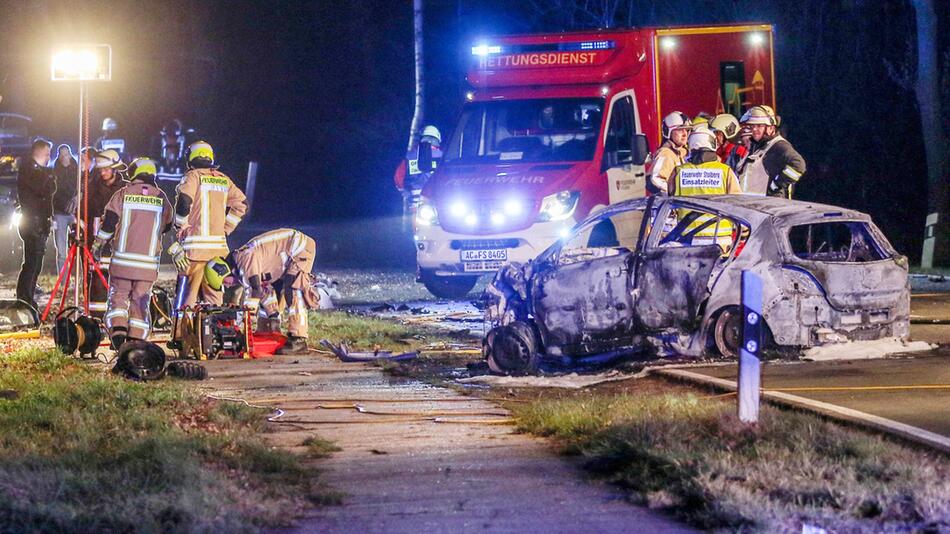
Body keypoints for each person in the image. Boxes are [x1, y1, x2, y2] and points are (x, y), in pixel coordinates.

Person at [168, 140, 247, 346]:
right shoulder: (223, 180)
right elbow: (242, 204)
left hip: (194, 251)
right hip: (218, 251)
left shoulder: (192, 176)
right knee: (215, 297)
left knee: (187, 297)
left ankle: (181, 337)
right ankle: (216, 338)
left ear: (190, 159)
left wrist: (180, 226)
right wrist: (226, 229)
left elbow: (184, 201)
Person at [93, 158, 173, 348]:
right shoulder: (161, 197)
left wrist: (98, 244)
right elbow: (168, 225)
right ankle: (136, 341)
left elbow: (109, 223)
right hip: (147, 265)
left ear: (133, 174)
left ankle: (118, 335)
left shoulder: (123, 194)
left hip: (123, 262)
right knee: (141, 302)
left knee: (118, 298)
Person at [205, 228, 321, 355]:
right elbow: (264, 290)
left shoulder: (244, 258)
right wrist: (273, 317)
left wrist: (244, 320)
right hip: (291, 251)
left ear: (223, 271)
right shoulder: (242, 264)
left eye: (224, 282)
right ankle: (269, 328)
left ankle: (299, 339)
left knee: (293, 288)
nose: (227, 286)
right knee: (268, 289)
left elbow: (255, 290)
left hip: (300, 248)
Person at [668, 129, 741, 248]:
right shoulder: (725, 171)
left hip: (688, 239)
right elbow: (738, 203)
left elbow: (670, 198)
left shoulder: (679, 172)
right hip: (720, 240)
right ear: (713, 145)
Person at [83, 148, 127, 317]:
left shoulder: (125, 188)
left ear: (115, 168)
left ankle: (119, 316)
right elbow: (84, 209)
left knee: (120, 281)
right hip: (97, 241)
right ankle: (97, 319)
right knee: (97, 280)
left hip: (119, 241)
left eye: (107, 169)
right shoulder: (92, 186)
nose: (103, 173)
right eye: (101, 170)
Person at [15, 138, 55, 310]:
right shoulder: (30, 170)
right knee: (32, 264)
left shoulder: (37, 171)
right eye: (47, 153)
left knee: (35, 264)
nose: (49, 157)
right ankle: (25, 299)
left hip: (38, 223)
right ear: (39, 152)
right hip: (33, 224)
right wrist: (50, 178)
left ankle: (27, 296)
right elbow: (45, 189)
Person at [736, 105, 806, 197]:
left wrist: (776, 185)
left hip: (767, 207)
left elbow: (799, 165)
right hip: (752, 206)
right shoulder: (759, 146)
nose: (754, 129)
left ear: (771, 128)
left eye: (759, 126)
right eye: (752, 126)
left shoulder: (779, 145)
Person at [648, 112, 691, 195]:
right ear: (668, 131)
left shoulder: (681, 152)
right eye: (679, 130)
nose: (685, 134)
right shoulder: (665, 153)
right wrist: (675, 192)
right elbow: (655, 179)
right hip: (668, 204)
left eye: (687, 130)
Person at [51, 144, 78, 274]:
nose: (64, 157)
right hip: (59, 213)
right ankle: (62, 281)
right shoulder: (54, 171)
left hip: (75, 213)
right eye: (61, 155)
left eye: (66, 154)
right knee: (61, 249)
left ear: (70, 154)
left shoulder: (76, 169)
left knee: (80, 245)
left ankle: (79, 277)